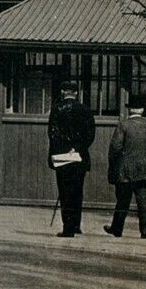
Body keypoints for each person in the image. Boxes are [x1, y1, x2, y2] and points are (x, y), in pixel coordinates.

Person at [104, 92, 146, 239]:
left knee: (122, 201)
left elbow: (115, 148)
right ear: (142, 110)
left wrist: (114, 165)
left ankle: (117, 229)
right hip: (145, 170)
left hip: (125, 170)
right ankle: (145, 232)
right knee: (144, 201)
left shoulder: (123, 125)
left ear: (130, 109)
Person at [47, 82, 96, 237]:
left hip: (62, 156)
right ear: (77, 92)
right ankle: (76, 225)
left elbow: (52, 134)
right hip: (79, 156)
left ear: (63, 92)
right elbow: (90, 135)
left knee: (65, 191)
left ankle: (67, 227)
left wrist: (62, 149)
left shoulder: (56, 109)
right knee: (77, 191)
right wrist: (78, 148)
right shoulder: (85, 110)